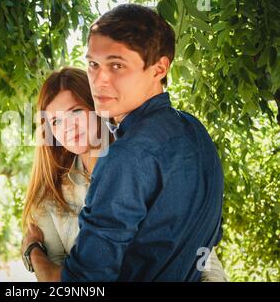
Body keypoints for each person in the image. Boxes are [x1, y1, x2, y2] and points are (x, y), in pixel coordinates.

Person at [22, 66, 227, 282]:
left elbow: (201, 251)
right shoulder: (51, 197)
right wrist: (35, 252)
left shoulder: (150, 164)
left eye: (75, 111)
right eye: (56, 121)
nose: (68, 127)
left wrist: (32, 251)